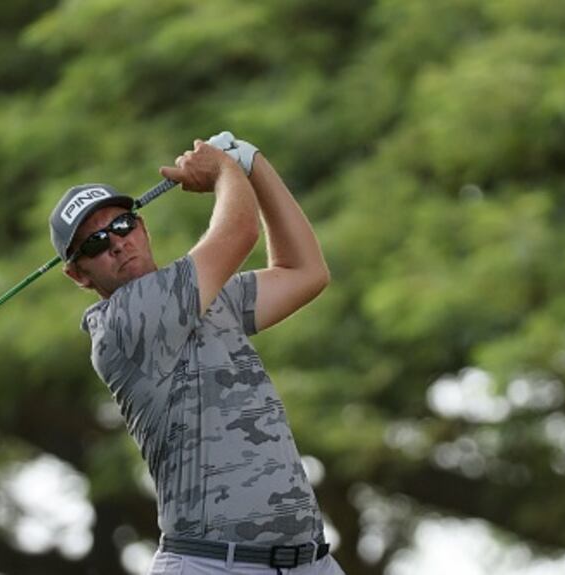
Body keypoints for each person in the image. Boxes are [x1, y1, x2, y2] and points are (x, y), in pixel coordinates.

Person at [48, 133, 345, 574]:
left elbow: (305, 272)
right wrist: (226, 171)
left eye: (123, 225)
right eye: (94, 243)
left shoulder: (205, 299)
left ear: (142, 228)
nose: (115, 243)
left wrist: (252, 161)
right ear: (78, 274)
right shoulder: (122, 323)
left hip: (310, 563)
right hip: (212, 565)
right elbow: (240, 232)